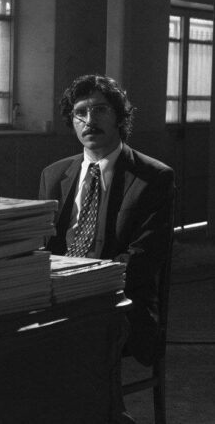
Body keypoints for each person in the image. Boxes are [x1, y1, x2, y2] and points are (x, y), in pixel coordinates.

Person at [39, 74, 175, 368]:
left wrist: (83, 285)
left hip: (115, 301)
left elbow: (144, 259)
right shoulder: (53, 175)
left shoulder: (153, 177)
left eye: (100, 110)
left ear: (119, 117)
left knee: (67, 342)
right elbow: (42, 246)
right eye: (80, 112)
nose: (89, 120)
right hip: (56, 297)